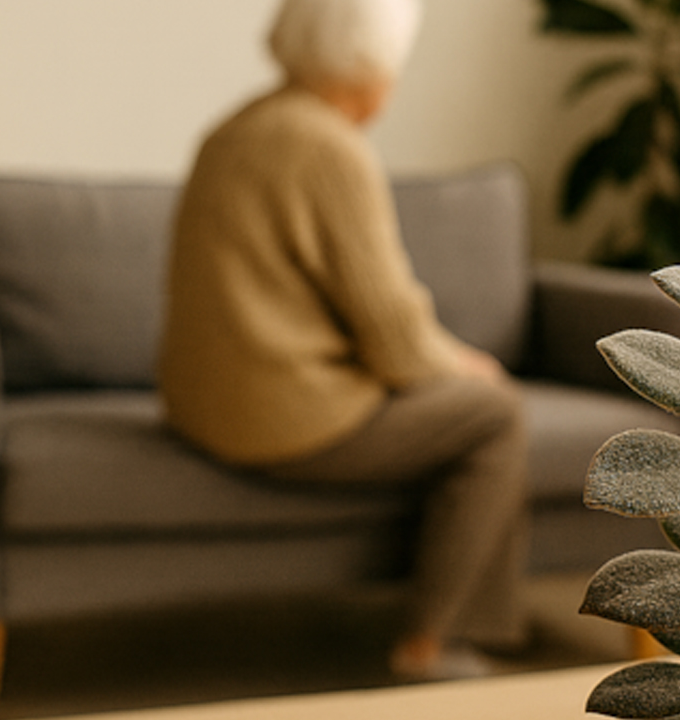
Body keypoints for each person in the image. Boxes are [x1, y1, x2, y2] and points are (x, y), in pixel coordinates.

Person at [158, 0, 528, 681]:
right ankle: (432, 642)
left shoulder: (234, 129)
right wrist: (464, 367)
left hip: (199, 406)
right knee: (495, 414)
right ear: (366, 69)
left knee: (476, 400)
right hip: (284, 417)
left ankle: (479, 627)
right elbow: (392, 332)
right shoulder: (329, 147)